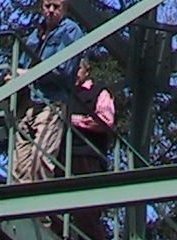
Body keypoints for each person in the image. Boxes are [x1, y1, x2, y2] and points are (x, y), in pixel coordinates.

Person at [10, 0, 85, 188]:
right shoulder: (36, 34)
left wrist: (29, 74)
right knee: (19, 164)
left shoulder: (71, 31)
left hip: (52, 101)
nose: (50, 11)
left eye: (56, 6)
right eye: (47, 6)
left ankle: (39, 217)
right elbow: (23, 62)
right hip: (29, 102)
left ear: (64, 8)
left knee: (40, 160)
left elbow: (64, 69)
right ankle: (19, 212)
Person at [66, 67, 117, 240]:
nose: (75, 72)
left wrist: (74, 120)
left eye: (78, 68)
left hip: (89, 155)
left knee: (87, 211)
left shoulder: (99, 92)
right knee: (60, 206)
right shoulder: (67, 92)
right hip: (65, 153)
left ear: (86, 70)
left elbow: (105, 120)